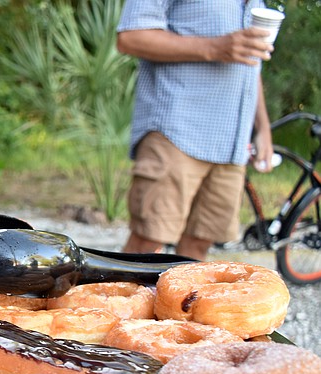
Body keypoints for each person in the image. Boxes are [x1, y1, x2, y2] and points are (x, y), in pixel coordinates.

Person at [118, 1, 276, 260]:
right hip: (176, 132)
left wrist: (262, 128)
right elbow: (131, 36)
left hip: (231, 145)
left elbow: (250, 62)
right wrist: (215, 47)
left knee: (198, 246)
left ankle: (177, 290)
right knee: (148, 241)